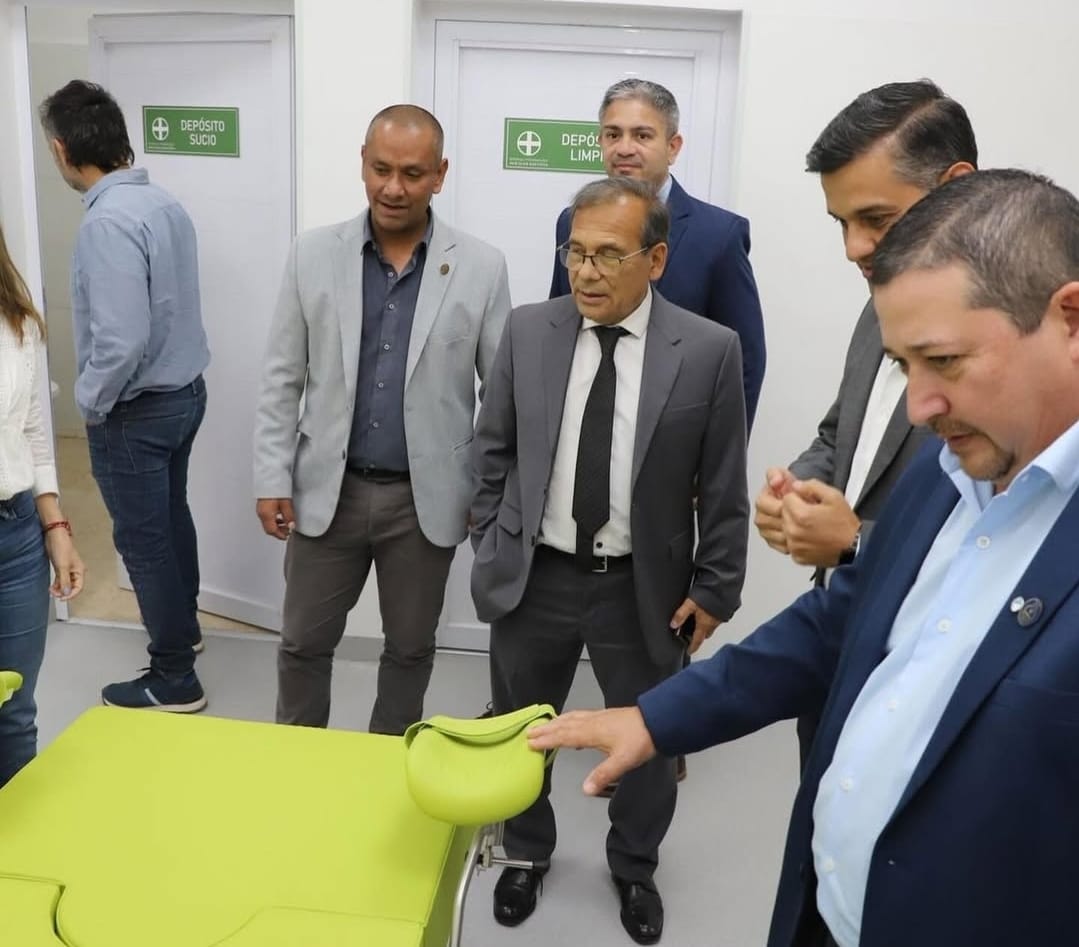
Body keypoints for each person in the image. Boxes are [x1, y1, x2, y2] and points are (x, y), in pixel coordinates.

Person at [529, 168, 1079, 947]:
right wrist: (654, 718)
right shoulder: (945, 467)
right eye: (903, 366)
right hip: (822, 911)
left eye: (945, 360)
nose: (918, 406)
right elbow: (833, 623)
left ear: (1068, 320)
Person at [472, 175, 749, 944]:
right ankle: (525, 852)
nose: (585, 272)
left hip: (642, 585)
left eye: (606, 255)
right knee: (522, 727)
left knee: (651, 739)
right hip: (536, 576)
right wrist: (491, 540)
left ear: (654, 260)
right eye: (575, 252)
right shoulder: (527, 331)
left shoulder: (706, 350)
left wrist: (716, 586)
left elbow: (722, 484)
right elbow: (491, 450)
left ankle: (632, 863)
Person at [254, 104, 511, 737]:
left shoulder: (481, 267)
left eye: (413, 173)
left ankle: (387, 764)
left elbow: (501, 395)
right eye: (381, 169)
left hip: (425, 502)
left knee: (410, 650)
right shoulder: (312, 254)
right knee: (301, 643)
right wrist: (271, 476)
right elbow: (282, 377)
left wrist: (485, 490)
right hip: (326, 491)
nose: (393, 188)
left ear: (439, 175)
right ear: (363, 165)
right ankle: (294, 760)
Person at [752, 80, 977, 764]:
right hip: (838, 634)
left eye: (876, 218)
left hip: (926, 673)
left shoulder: (1017, 350)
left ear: (955, 187)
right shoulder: (878, 302)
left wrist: (855, 543)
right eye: (841, 223)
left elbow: (1002, 540)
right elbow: (842, 433)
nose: (854, 247)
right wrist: (798, 488)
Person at [39, 80, 210, 712]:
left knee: (144, 541)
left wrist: (88, 402)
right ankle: (183, 632)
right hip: (184, 395)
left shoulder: (107, 222)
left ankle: (174, 676)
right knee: (170, 518)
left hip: (138, 412)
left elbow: (121, 341)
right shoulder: (161, 204)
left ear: (62, 150)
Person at [549, 78, 766, 429]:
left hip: (676, 434)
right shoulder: (571, 221)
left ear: (673, 147)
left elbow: (745, 360)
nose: (624, 148)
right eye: (613, 134)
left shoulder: (719, 234)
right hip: (584, 426)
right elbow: (559, 324)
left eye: (642, 135)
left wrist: (721, 450)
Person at [0, 222, 84, 787]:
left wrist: (55, 526)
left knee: (14, 714)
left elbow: (31, 429)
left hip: (16, 535)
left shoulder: (17, 321)